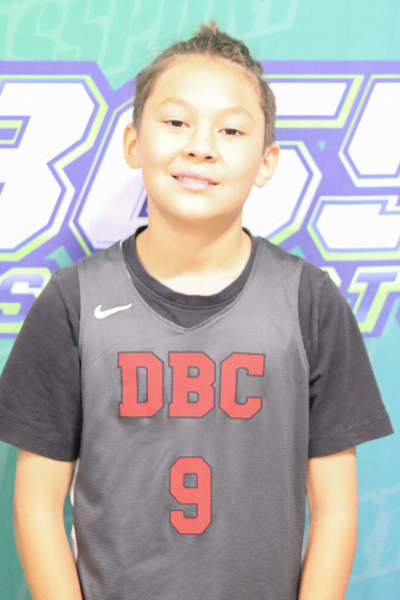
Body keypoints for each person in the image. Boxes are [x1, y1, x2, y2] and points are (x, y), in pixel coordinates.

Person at [0, 21, 394, 600]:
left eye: (231, 129)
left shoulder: (309, 302)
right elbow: (37, 503)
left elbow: (335, 508)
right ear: (133, 142)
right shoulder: (73, 300)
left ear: (267, 161)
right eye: (176, 122)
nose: (201, 146)